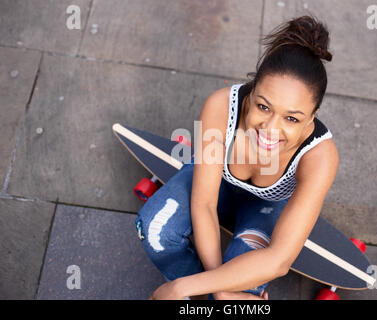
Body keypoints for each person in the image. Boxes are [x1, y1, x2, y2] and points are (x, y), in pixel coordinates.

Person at [136, 15, 339, 300]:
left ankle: (195, 292)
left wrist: (185, 288)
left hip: (266, 209)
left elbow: (279, 260)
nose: (270, 129)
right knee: (155, 230)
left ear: (312, 118)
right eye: (263, 107)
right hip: (216, 185)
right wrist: (220, 289)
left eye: (292, 118)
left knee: (241, 284)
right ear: (252, 90)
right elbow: (204, 203)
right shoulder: (221, 107)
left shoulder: (319, 156)